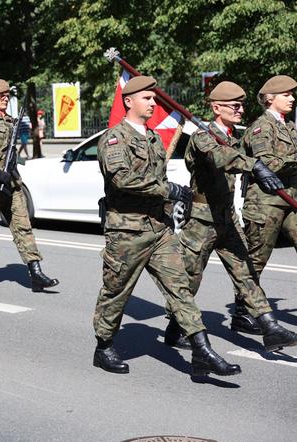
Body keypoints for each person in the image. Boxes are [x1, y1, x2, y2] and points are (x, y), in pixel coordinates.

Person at [93, 75, 240, 376]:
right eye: (147, 98)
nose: (153, 103)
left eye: (153, 98)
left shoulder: (152, 139)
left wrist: (175, 205)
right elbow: (122, 180)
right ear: (129, 101)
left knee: (180, 288)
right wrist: (167, 190)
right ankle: (104, 345)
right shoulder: (114, 138)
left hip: (159, 230)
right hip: (127, 233)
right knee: (116, 292)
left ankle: (202, 349)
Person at [162, 81, 297, 352]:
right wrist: (256, 166)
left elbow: (236, 152)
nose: (240, 109)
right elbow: (222, 158)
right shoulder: (203, 136)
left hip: (226, 216)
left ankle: (270, 327)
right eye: (234, 106)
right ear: (216, 108)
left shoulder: (234, 136)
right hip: (202, 218)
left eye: (242, 105)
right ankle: (176, 329)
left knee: (245, 271)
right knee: (190, 278)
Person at [0, 79, 58, 293]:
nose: (4, 97)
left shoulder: (10, 121)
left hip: (12, 185)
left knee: (23, 227)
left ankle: (35, 272)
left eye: (7, 94)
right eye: (0, 94)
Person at [238, 75, 297, 331]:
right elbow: (268, 164)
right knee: (256, 259)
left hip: (290, 199)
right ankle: (242, 310)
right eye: (287, 94)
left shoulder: (290, 127)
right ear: (270, 98)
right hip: (266, 203)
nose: (292, 98)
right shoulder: (261, 128)